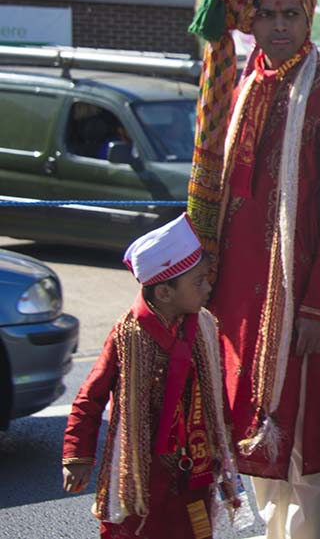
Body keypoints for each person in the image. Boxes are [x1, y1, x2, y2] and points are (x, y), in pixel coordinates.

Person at [188, 0, 320, 539]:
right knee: (248, 418)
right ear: (251, 23)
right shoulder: (242, 87)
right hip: (238, 295)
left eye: (292, 13)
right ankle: (271, 531)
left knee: (306, 428)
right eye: (268, 15)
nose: (281, 26)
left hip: (296, 295)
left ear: (308, 18)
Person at [62, 213, 241, 538]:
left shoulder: (203, 327)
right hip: (141, 471)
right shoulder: (127, 335)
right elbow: (90, 397)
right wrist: (77, 454)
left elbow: (218, 396)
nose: (209, 287)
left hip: (194, 465)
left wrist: (226, 445)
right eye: (199, 281)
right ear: (164, 293)